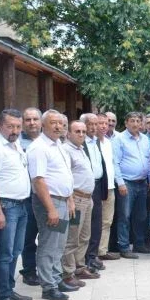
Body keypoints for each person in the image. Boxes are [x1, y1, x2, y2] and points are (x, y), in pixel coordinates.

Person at [0, 109, 33, 300]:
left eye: (17, 127)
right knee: (4, 253)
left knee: (16, 251)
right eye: (10, 126)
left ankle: (10, 289)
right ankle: (3, 297)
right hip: (6, 206)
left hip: (21, 205)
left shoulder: (15, 145)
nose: (14, 130)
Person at [26, 110, 76, 300]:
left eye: (60, 123)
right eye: (53, 123)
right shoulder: (39, 147)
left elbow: (65, 175)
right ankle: (48, 286)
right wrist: (51, 209)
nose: (58, 126)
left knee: (59, 243)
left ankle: (56, 278)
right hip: (50, 202)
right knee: (48, 244)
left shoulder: (59, 145)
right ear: (43, 125)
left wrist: (69, 199)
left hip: (62, 200)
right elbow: (38, 180)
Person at [61, 120, 97, 290]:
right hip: (76, 199)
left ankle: (79, 267)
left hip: (87, 199)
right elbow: (66, 177)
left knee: (84, 236)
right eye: (77, 131)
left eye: (83, 131)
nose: (82, 134)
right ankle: (67, 274)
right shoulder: (66, 150)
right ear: (68, 133)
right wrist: (70, 200)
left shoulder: (81, 149)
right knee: (72, 238)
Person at [113, 112, 150, 257]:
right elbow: (115, 163)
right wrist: (121, 183)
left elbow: (149, 160)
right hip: (127, 183)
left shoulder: (144, 139)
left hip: (142, 183)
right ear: (126, 123)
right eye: (132, 121)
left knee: (141, 216)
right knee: (124, 216)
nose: (135, 124)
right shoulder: (119, 139)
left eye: (138, 120)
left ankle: (139, 244)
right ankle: (124, 247)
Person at [80, 113, 107, 274]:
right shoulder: (80, 143)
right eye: (91, 124)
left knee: (96, 223)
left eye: (96, 124)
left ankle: (92, 255)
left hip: (97, 186)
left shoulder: (96, 142)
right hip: (84, 189)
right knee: (85, 225)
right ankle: (83, 260)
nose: (94, 127)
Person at [19, 107, 42, 287]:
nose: (32, 123)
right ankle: (29, 271)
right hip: (27, 199)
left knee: (49, 236)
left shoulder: (49, 141)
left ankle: (46, 269)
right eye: (28, 120)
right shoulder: (17, 144)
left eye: (35, 119)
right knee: (28, 238)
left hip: (48, 197)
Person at [96, 113, 122, 262]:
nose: (104, 126)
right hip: (97, 188)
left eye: (105, 123)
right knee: (94, 222)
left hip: (110, 187)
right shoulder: (91, 143)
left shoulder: (108, 142)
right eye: (100, 123)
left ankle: (102, 250)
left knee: (107, 221)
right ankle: (92, 253)